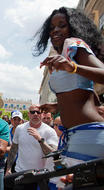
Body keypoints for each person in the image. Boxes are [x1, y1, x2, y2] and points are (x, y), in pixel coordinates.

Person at [35, 7, 104, 161]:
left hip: (89, 135)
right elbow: (85, 93)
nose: (55, 30)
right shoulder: (63, 56)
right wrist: (57, 106)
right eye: (52, 28)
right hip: (74, 136)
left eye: (62, 25)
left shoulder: (73, 43)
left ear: (73, 27)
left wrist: (73, 67)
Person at [5, 105, 58, 190]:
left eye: (38, 112)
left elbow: (53, 153)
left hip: (40, 176)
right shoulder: (20, 128)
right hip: (20, 174)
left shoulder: (49, 131)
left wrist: (40, 139)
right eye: (33, 112)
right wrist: (8, 169)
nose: (35, 114)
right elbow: (14, 150)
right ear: (29, 114)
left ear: (42, 114)